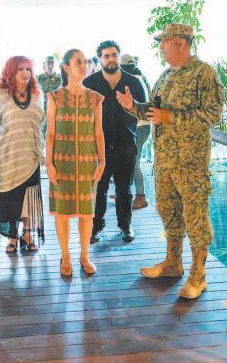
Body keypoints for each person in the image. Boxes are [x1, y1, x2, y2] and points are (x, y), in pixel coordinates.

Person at [116, 23, 225, 299]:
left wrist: (171, 117)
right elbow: (154, 112)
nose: (161, 47)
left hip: (190, 163)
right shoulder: (165, 75)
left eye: (165, 41)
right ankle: (173, 262)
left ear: (181, 42)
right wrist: (132, 106)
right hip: (164, 161)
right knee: (168, 211)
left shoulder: (204, 73)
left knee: (196, 217)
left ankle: (199, 274)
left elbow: (213, 114)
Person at [46, 49, 105, 277]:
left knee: (87, 213)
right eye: (78, 62)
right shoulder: (54, 97)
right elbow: (50, 134)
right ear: (66, 67)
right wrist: (49, 164)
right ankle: (66, 256)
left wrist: (102, 161)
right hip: (62, 162)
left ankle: (84, 255)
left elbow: (98, 132)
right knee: (62, 213)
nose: (83, 65)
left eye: (85, 62)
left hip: (88, 162)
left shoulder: (95, 98)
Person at [83, 41, 146, 244]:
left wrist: (132, 106)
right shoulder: (89, 83)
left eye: (114, 55)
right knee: (98, 189)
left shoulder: (133, 82)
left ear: (118, 56)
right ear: (99, 59)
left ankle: (125, 226)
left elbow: (144, 111)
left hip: (125, 143)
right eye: (106, 56)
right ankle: (96, 228)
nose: (111, 59)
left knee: (124, 190)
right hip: (97, 147)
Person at [0, 56, 45, 254]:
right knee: (11, 197)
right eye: (20, 69)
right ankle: (13, 236)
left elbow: (41, 122)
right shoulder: (0, 94)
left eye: (28, 69)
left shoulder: (37, 94)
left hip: (30, 152)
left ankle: (28, 234)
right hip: (7, 155)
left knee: (29, 196)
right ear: (11, 72)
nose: (25, 73)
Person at [120, 53, 150, 210]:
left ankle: (141, 196)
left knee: (134, 160)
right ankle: (127, 191)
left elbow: (133, 106)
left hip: (140, 126)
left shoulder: (133, 81)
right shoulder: (140, 78)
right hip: (142, 126)